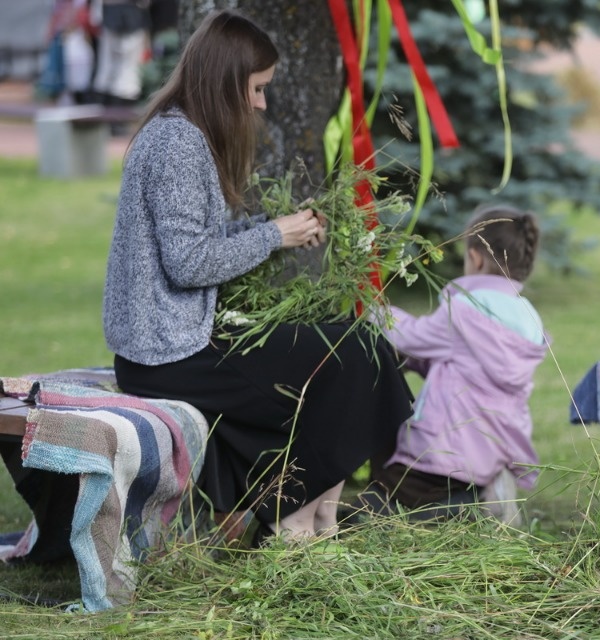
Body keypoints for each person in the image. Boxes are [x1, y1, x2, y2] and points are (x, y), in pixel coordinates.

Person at [102, 9, 412, 542]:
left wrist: (274, 225)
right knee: (351, 357)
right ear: (227, 81)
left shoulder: (183, 135)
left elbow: (202, 238)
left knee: (357, 348)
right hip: (167, 355)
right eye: (258, 88)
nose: (262, 103)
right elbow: (189, 262)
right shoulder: (177, 144)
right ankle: (294, 519)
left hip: (179, 341)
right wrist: (276, 236)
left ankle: (318, 518)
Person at [352, 204, 549, 523]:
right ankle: (473, 498)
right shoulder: (526, 314)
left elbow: (410, 337)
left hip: (442, 450)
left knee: (381, 497)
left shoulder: (464, 307)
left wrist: (375, 309)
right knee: (420, 488)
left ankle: (449, 510)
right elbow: (469, 366)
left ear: (476, 257)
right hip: (492, 450)